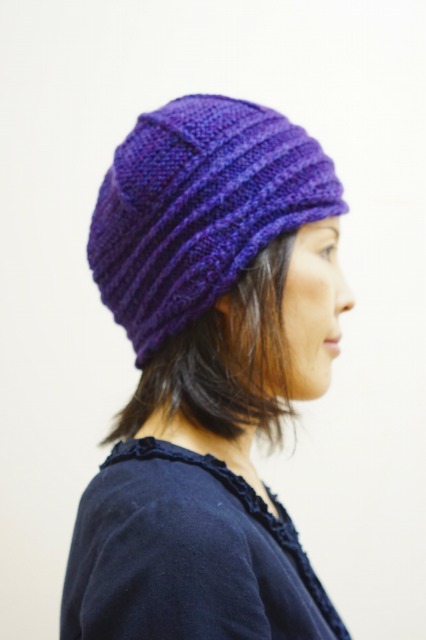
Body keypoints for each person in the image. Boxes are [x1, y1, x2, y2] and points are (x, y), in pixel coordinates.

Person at [61, 94, 355, 639]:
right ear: (224, 275)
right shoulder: (174, 530)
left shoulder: (203, 497)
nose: (347, 295)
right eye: (325, 249)